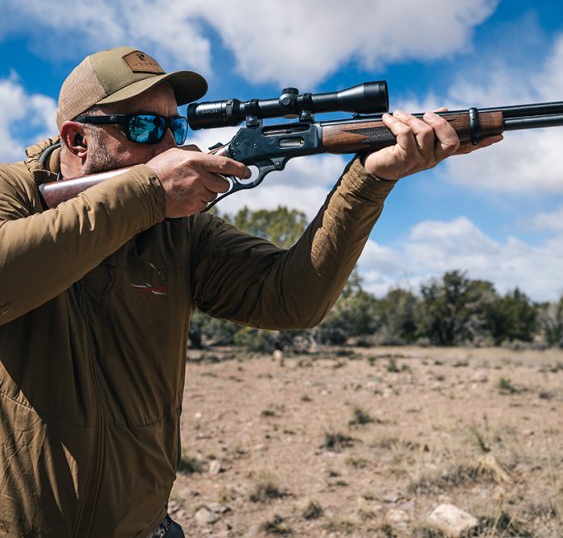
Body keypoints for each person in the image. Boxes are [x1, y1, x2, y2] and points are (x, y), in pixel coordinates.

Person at [0, 46, 500, 537]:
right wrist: (149, 193)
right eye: (146, 128)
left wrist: (368, 180)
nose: (169, 144)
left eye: (176, 127)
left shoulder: (182, 229)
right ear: (77, 140)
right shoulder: (15, 193)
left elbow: (290, 300)